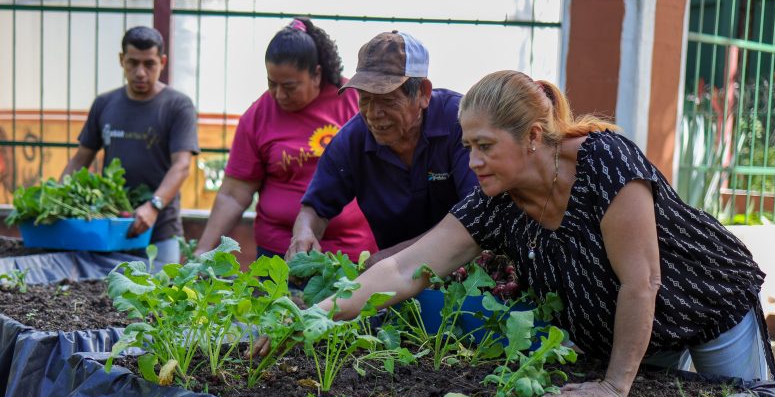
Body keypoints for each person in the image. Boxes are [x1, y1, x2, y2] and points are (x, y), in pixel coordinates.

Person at [303, 70, 775, 397]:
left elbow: (642, 281)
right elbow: (403, 270)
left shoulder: (603, 164)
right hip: (642, 336)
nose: (473, 162)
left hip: (712, 306)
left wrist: (613, 386)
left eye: (485, 146)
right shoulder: (495, 204)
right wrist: (310, 319)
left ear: (532, 137)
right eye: (468, 147)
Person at [286, 31, 478, 264]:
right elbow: (314, 208)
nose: (374, 114)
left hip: (475, 271)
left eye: (387, 100)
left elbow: (474, 218)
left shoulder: (462, 123)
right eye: (364, 100)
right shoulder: (352, 141)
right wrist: (304, 233)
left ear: (423, 93)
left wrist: (393, 258)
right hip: (400, 278)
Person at [194, 18, 376, 261]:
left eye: (290, 87)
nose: (279, 95)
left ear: (316, 74)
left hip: (348, 252)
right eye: (272, 83)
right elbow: (234, 193)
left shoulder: (353, 101)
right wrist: (203, 251)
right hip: (278, 253)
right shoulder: (258, 116)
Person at [63, 26, 198, 264]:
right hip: (110, 230)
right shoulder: (104, 104)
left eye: (149, 64)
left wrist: (153, 206)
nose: (140, 73)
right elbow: (80, 159)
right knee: (105, 299)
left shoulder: (178, 106)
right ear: (121, 60)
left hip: (160, 231)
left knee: (161, 299)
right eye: (132, 63)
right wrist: (55, 196)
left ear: (163, 62)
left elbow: (182, 166)